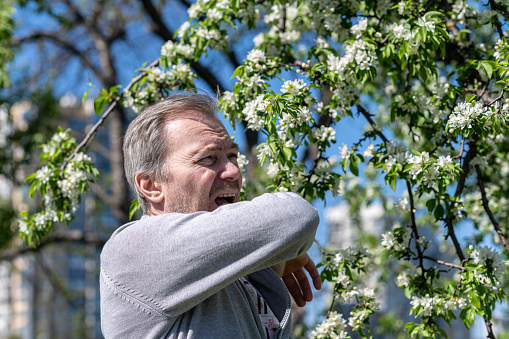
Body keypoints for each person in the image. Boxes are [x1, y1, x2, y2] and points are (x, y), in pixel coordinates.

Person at [100, 92, 321, 338]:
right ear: (151, 185)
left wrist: (267, 265)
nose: (233, 172)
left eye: (233, 156)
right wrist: (276, 241)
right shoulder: (134, 250)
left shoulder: (241, 276)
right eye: (208, 158)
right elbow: (297, 216)